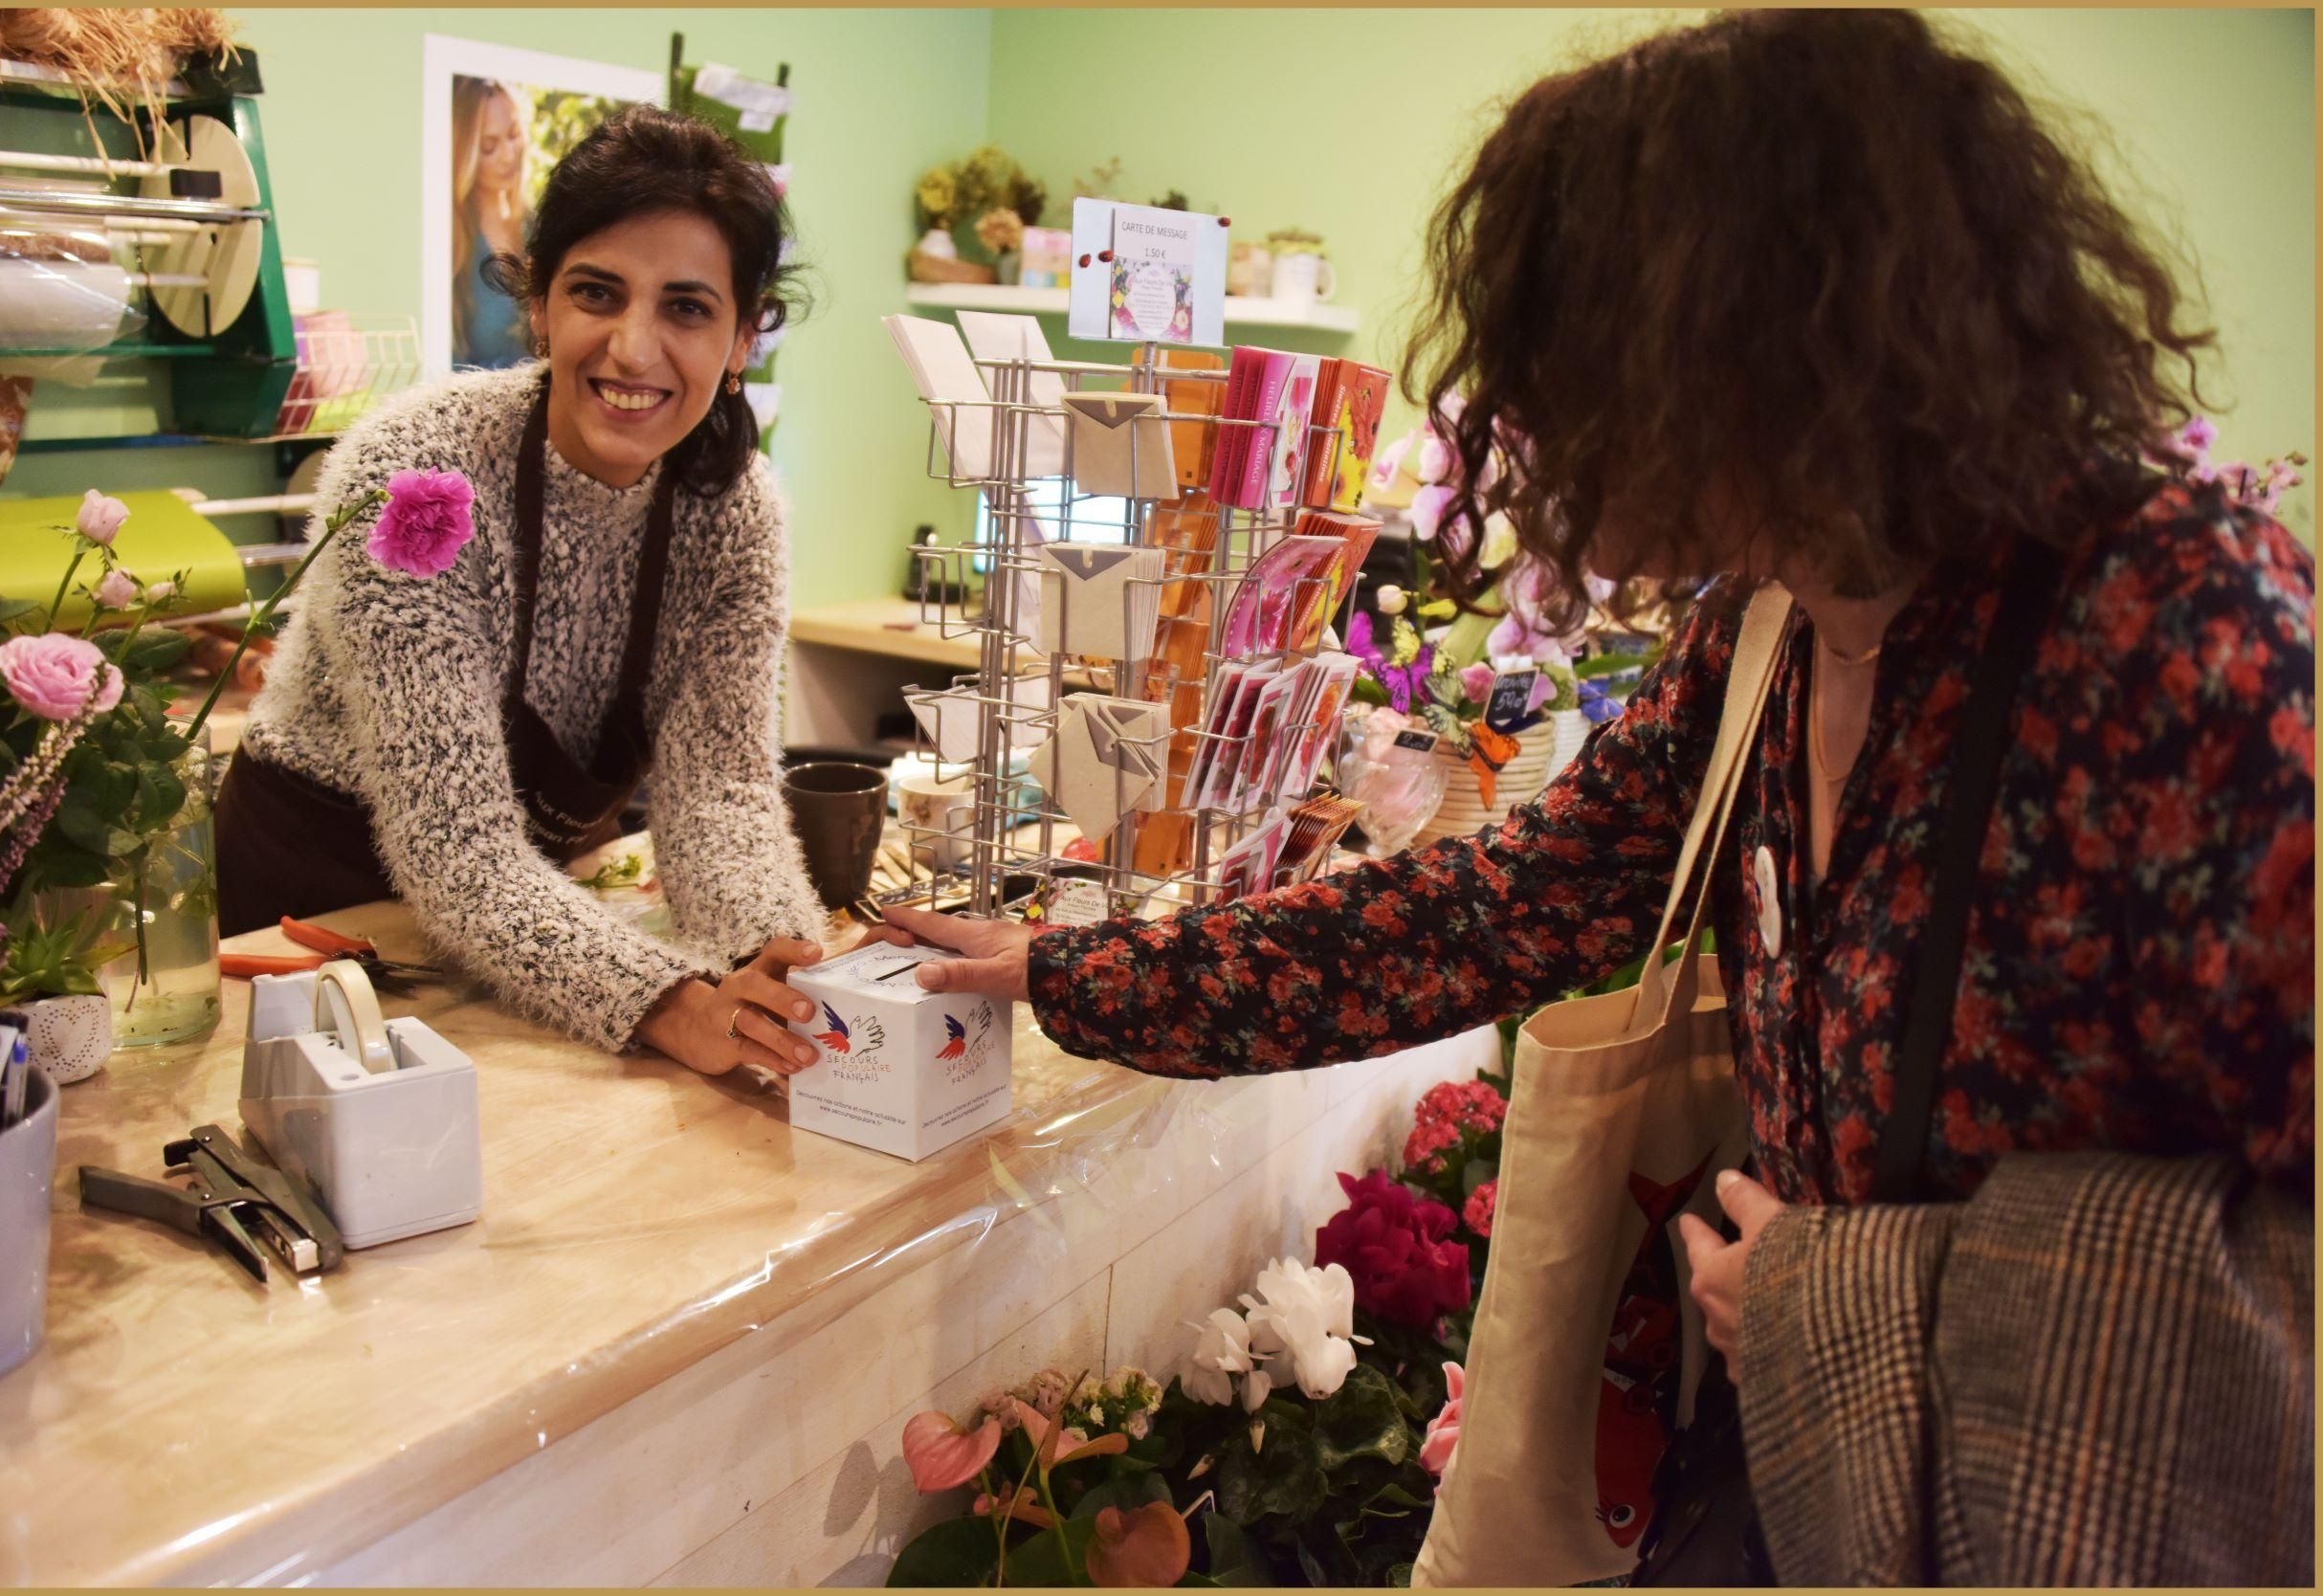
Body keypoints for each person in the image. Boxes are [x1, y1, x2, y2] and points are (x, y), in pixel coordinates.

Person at [876, 9, 2313, 1584]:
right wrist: (1083, 971)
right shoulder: (1764, 626)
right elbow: (1506, 903)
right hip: (1827, 1488)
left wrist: (1863, 1290)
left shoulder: (2171, 619)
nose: (1546, 427)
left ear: (1789, 335)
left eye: (1593, 358)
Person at [218, 105, 830, 1082]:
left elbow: (718, 793)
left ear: (745, 335)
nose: (633, 350)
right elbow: (456, 846)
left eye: (686, 307)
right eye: (597, 293)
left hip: (523, 920)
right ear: (541, 305)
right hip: (312, 921)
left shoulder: (733, 510)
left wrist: (774, 971)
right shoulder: (419, 473)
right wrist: (671, 1003)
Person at [451, 77, 533, 369]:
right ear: (464, 154)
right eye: (489, 147)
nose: (509, 155)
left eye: (513, 134)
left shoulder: (538, 226)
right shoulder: (453, 243)